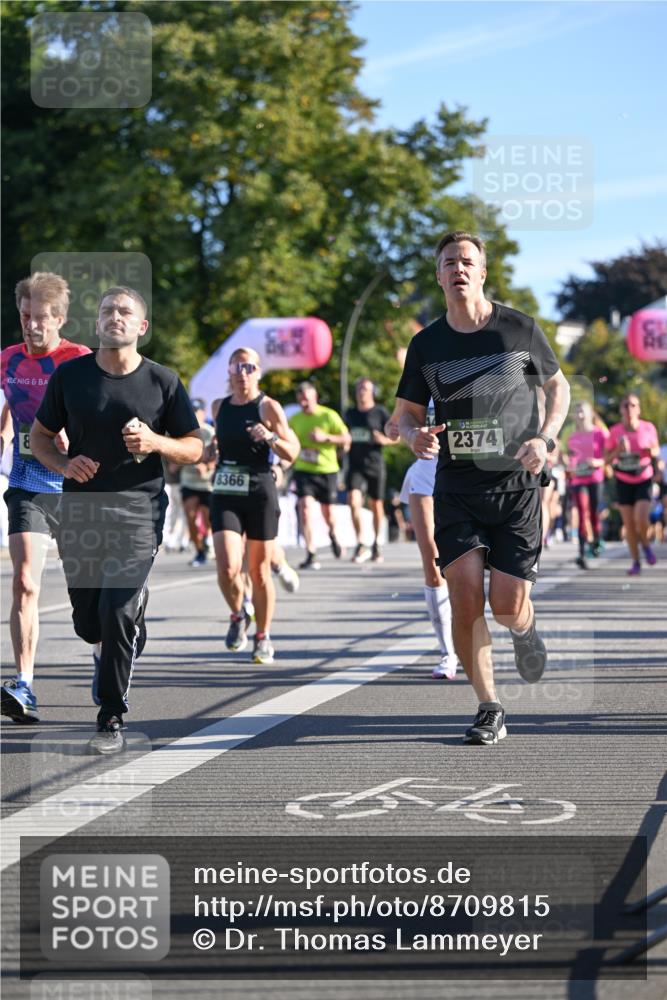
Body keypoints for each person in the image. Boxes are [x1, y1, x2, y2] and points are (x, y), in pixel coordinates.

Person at [397, 231, 570, 746]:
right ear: (438, 274)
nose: (458, 269)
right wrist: (413, 436)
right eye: (449, 262)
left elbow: (557, 385)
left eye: (467, 261)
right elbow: (403, 415)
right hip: (456, 489)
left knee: (507, 605)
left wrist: (546, 437)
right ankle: (489, 706)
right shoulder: (426, 345)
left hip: (515, 488)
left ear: (483, 271)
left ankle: (525, 630)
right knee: (466, 599)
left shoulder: (517, 329)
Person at [30, 286, 203, 753]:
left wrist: (155, 442)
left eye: (125, 311)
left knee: (115, 611)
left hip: (138, 510)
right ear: (98, 322)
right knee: (90, 623)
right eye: (107, 309)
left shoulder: (163, 382)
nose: (114, 316)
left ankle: (110, 715)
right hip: (81, 511)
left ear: (142, 327)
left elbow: (194, 445)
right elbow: (41, 436)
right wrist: (64, 466)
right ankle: (120, 631)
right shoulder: (70, 377)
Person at [1, 272, 90, 725]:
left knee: (87, 596)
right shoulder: (8, 360)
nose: (30, 326)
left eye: (39, 318)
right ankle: (25, 683)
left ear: (58, 318)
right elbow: (10, 403)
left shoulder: (79, 359)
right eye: (24, 317)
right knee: (25, 582)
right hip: (27, 482)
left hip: (76, 486)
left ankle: (102, 655)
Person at [210, 347, 299, 663]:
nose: (242, 372)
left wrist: (271, 438)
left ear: (258, 372)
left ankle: (263, 637)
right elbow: (217, 444)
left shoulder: (268, 407)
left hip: (260, 491)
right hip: (225, 490)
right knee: (227, 567)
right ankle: (238, 614)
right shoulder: (219, 406)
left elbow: (293, 450)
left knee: (258, 572)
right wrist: (209, 449)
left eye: (248, 367)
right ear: (230, 372)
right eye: (236, 366)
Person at [388, 407, 458, 680]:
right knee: (432, 561)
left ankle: (468, 632)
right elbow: (394, 424)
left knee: (467, 566)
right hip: (426, 472)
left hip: (468, 475)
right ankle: (447, 652)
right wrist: (402, 432)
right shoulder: (419, 375)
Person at [288, 381, 351, 570]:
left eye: (307, 399)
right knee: (304, 507)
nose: (304, 403)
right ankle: (311, 552)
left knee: (328, 513)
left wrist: (326, 438)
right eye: (301, 400)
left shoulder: (328, 415)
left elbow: (346, 438)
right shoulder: (295, 419)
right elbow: (289, 441)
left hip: (327, 470)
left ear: (314, 397)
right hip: (304, 470)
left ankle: (333, 535)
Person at [605, 393, 660, 575]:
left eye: (633, 405)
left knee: (641, 518)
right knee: (629, 524)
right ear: (621, 409)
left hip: (643, 477)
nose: (630, 409)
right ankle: (636, 561)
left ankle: (645, 543)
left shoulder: (648, 428)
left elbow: (656, 450)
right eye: (626, 405)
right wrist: (618, 450)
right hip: (623, 480)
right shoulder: (615, 431)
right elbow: (606, 459)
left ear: (639, 409)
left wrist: (651, 450)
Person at [345, 377, 395, 564]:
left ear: (372, 391)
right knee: (353, 501)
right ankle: (360, 542)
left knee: (376, 505)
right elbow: (344, 434)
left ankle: (376, 542)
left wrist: (384, 440)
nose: (361, 392)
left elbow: (395, 436)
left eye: (365, 389)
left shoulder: (380, 412)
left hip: (375, 464)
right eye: (358, 389)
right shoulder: (349, 413)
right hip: (355, 464)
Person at [565, 401, 608, 569]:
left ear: (591, 414)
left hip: (596, 478)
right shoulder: (572, 436)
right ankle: (581, 554)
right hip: (578, 480)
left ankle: (597, 538)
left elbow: (609, 457)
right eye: (577, 412)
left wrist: (597, 462)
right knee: (582, 513)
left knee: (594, 513)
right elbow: (569, 458)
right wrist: (569, 465)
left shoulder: (600, 434)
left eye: (583, 412)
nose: (580, 415)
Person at [180, 397, 215, 566]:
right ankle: (200, 551)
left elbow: (218, 453)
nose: (194, 414)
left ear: (203, 413)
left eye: (197, 411)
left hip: (207, 483)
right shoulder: (183, 430)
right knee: (190, 516)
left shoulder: (209, 432)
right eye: (191, 411)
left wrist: (207, 467)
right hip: (189, 481)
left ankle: (208, 541)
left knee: (209, 519)